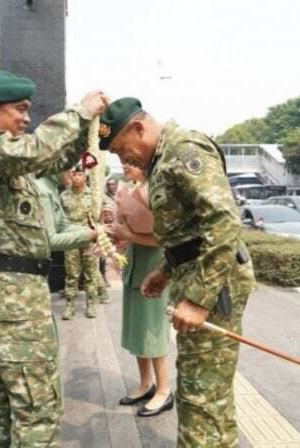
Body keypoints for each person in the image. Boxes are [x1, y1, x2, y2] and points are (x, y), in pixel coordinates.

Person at [0, 70, 108, 447]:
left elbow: (54, 158)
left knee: (2, 395)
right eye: (20, 110)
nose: (27, 118)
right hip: (11, 294)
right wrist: (78, 112)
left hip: (15, 291)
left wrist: (84, 129)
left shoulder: (6, 157)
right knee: (37, 403)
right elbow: (39, 149)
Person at [99, 97, 256, 447]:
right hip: (194, 276)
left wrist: (199, 300)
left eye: (124, 151)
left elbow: (223, 223)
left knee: (203, 396)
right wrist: (165, 269)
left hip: (216, 286)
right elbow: (188, 231)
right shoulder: (162, 161)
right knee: (200, 390)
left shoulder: (184, 150)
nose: (125, 161)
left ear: (139, 128)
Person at [110, 163, 173, 417]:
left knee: (152, 331)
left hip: (154, 272)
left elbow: (163, 238)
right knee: (138, 331)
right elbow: (134, 231)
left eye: (131, 162)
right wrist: (121, 236)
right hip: (135, 270)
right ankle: (146, 383)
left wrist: (130, 235)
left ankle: (164, 390)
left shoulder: (156, 192)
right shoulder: (134, 190)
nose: (125, 165)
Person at [60, 165, 106, 318]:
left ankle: (91, 304)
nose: (76, 177)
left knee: (91, 273)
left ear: (85, 177)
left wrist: (100, 230)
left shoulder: (93, 195)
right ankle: (70, 305)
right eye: (74, 174)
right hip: (71, 239)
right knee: (72, 273)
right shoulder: (63, 196)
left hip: (89, 238)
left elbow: (103, 213)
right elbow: (59, 218)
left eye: (79, 174)